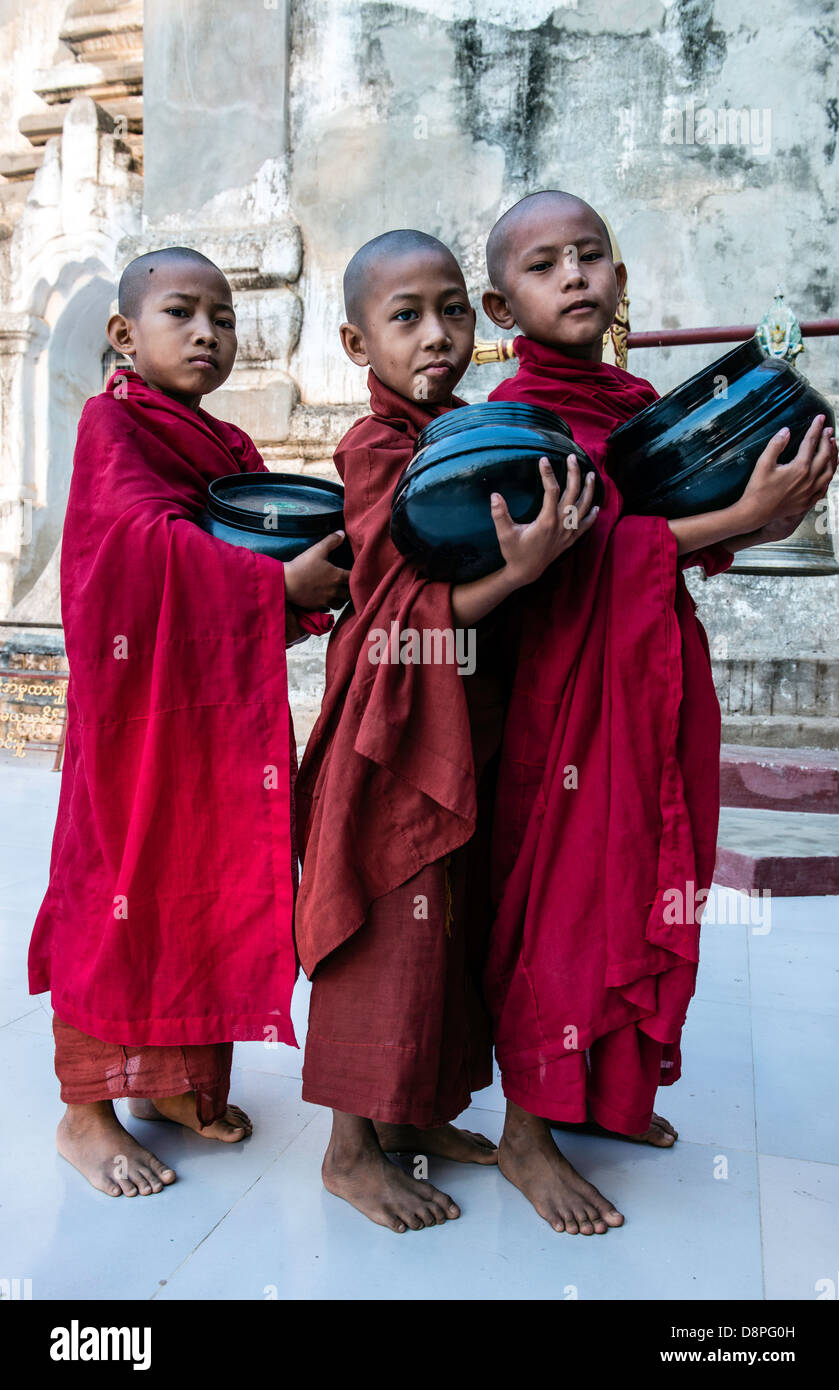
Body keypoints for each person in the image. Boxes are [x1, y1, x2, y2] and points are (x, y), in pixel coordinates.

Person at [479, 190, 839, 1235]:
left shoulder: (640, 402)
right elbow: (584, 547)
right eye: (545, 265)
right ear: (506, 307)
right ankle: (524, 1129)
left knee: (652, 870)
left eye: (590, 256)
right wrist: (739, 514)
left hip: (655, 669)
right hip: (565, 691)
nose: (576, 276)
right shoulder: (513, 417)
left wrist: (770, 510)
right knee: (566, 886)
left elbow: (683, 536)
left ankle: (606, 1089)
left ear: (621, 278)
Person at [28, 247, 349, 1198]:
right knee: (114, 886)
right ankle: (84, 1114)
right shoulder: (109, 424)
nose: (208, 332)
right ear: (125, 335)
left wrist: (293, 588)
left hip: (211, 718)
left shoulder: (230, 450)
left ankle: (171, 1084)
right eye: (182, 313)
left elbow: (242, 547)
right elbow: (130, 548)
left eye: (223, 316)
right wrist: (271, 585)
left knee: (199, 882)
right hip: (130, 721)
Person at [294, 228, 598, 1233]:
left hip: (466, 714)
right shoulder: (375, 447)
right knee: (384, 913)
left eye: (453, 310)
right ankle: (346, 1152)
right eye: (405, 316)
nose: (438, 335)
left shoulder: (468, 434)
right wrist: (517, 570)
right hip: (392, 725)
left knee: (452, 925)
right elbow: (398, 606)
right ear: (353, 341)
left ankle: (409, 1114)